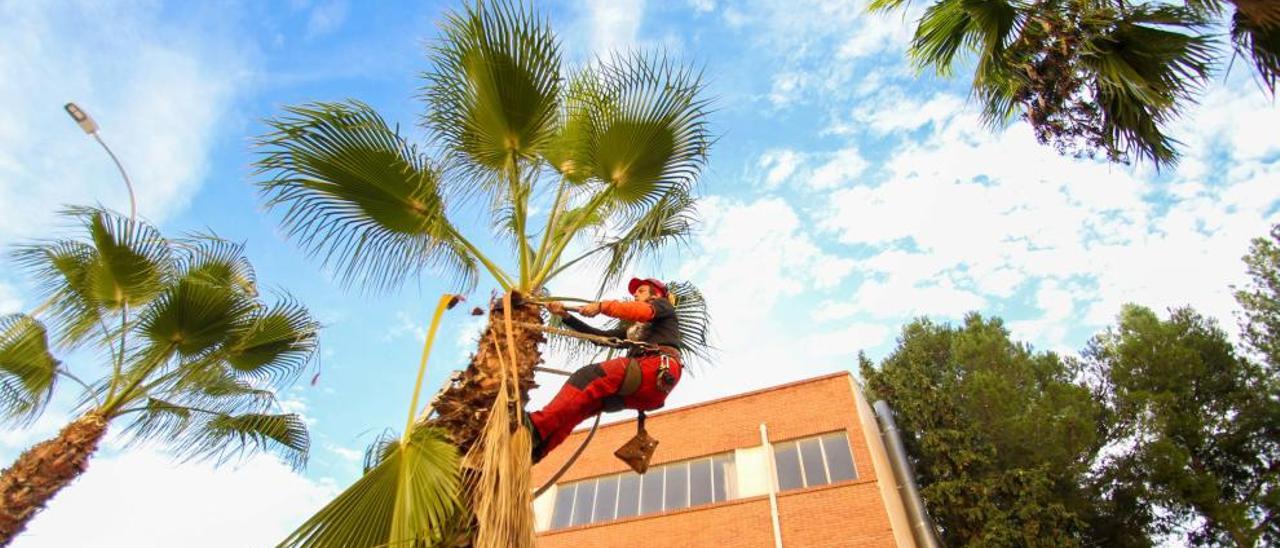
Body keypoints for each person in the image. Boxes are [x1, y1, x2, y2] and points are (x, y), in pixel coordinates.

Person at [526, 277, 683, 462]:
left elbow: (639, 311)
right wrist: (565, 316)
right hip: (646, 390)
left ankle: (535, 427)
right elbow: (599, 336)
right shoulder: (637, 331)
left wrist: (601, 306)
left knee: (588, 377)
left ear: (655, 294)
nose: (634, 294)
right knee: (585, 405)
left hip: (656, 368)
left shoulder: (662, 305)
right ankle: (537, 450)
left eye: (640, 291)